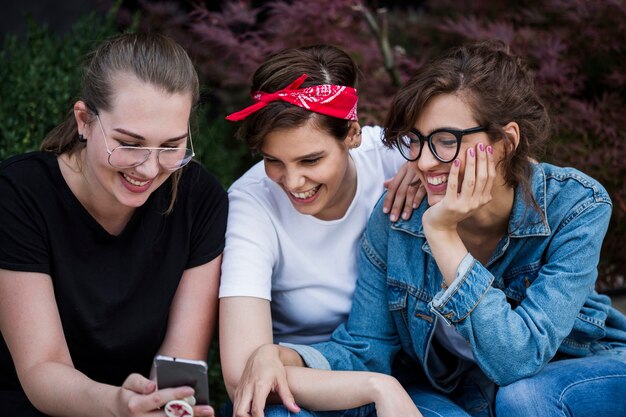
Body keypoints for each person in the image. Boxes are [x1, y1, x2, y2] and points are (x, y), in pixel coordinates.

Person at [233, 40, 626, 417]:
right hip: (461, 387)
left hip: (581, 366)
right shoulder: (397, 215)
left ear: (505, 142)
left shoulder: (576, 206)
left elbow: (516, 360)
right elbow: (368, 348)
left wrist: (442, 235)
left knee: (524, 398)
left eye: (444, 142)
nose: (422, 162)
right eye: (416, 142)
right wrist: (281, 355)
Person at [0, 32, 227, 416]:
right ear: (84, 120)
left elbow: (180, 363)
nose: (150, 168)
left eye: (170, 146)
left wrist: (167, 408)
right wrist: (118, 405)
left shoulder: (200, 200)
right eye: (130, 143)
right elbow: (43, 368)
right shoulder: (19, 195)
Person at [219, 45, 427, 417]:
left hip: (414, 374)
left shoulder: (397, 158)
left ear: (351, 133)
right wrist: (376, 387)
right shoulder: (253, 203)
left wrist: (430, 166)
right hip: (305, 386)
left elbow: (508, 166)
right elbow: (242, 376)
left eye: (310, 160)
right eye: (273, 161)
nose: (293, 181)